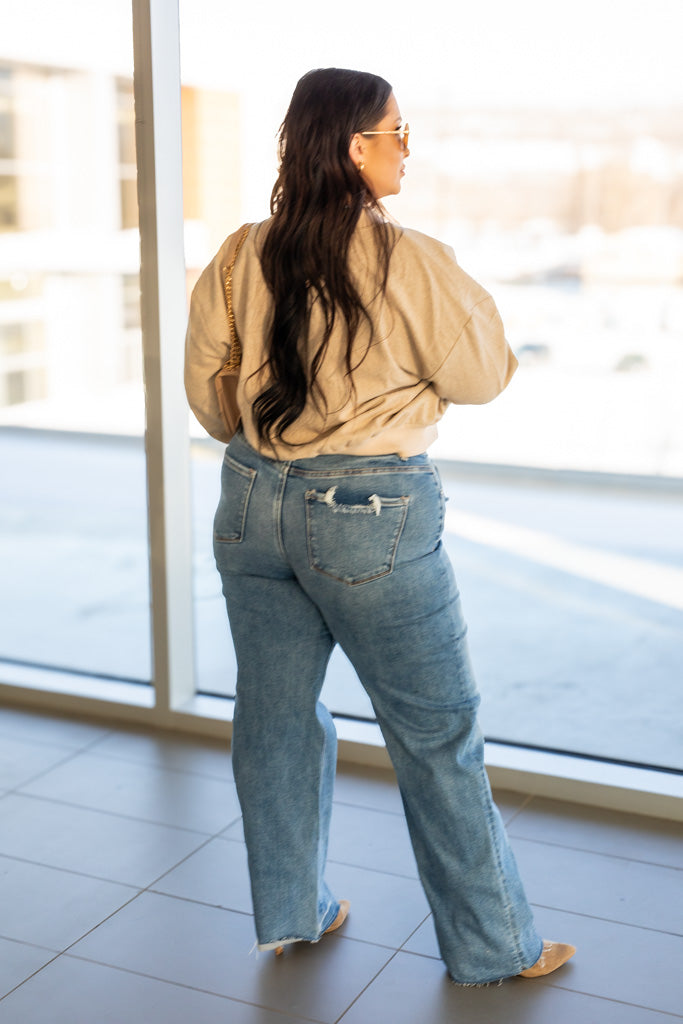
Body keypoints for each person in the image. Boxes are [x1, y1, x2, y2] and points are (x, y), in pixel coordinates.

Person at [185, 67, 575, 986]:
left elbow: (210, 396)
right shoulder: (408, 259)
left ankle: (293, 914)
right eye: (400, 130)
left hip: (251, 504)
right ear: (356, 145)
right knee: (435, 735)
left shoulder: (243, 253)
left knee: (274, 719)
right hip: (371, 516)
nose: (408, 146)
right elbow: (484, 375)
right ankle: (491, 948)